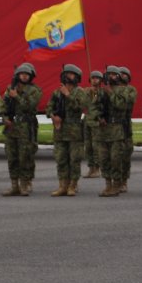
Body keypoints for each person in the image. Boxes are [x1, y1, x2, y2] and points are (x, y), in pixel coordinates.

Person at [45, 63, 89, 196]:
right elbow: (48, 108)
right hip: (60, 130)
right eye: (67, 74)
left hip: (74, 131)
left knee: (74, 159)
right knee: (61, 158)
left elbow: (81, 106)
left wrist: (68, 95)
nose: (69, 76)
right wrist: (53, 117)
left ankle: (73, 185)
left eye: (71, 74)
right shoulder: (56, 92)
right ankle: (62, 185)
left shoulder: (80, 92)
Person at [2, 62, 42, 196]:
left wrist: (17, 96)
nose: (24, 76)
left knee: (25, 156)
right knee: (11, 156)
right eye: (21, 74)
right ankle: (14, 185)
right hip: (12, 127)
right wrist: (5, 118)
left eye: (26, 74)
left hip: (25, 127)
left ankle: (24, 184)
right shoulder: (10, 88)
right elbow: (4, 105)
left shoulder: (34, 90)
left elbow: (30, 106)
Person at [93, 66, 132, 197]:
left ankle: (117, 184)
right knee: (103, 159)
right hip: (103, 130)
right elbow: (94, 107)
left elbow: (122, 105)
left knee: (116, 159)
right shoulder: (100, 91)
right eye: (109, 74)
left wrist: (110, 92)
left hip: (116, 130)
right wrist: (99, 117)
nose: (111, 77)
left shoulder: (123, 90)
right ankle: (108, 184)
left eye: (114, 75)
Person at [116, 66, 137, 193]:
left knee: (125, 155)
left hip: (125, 125)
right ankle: (115, 181)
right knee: (114, 156)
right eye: (120, 74)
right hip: (113, 126)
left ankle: (124, 181)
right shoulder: (111, 89)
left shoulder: (131, 90)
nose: (122, 76)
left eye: (125, 74)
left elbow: (128, 102)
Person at [82, 70, 102, 179]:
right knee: (88, 146)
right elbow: (83, 104)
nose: (94, 80)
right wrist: (88, 93)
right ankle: (91, 167)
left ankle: (97, 168)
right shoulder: (86, 91)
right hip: (87, 121)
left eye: (97, 78)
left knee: (96, 146)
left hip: (97, 122)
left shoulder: (103, 92)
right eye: (93, 78)